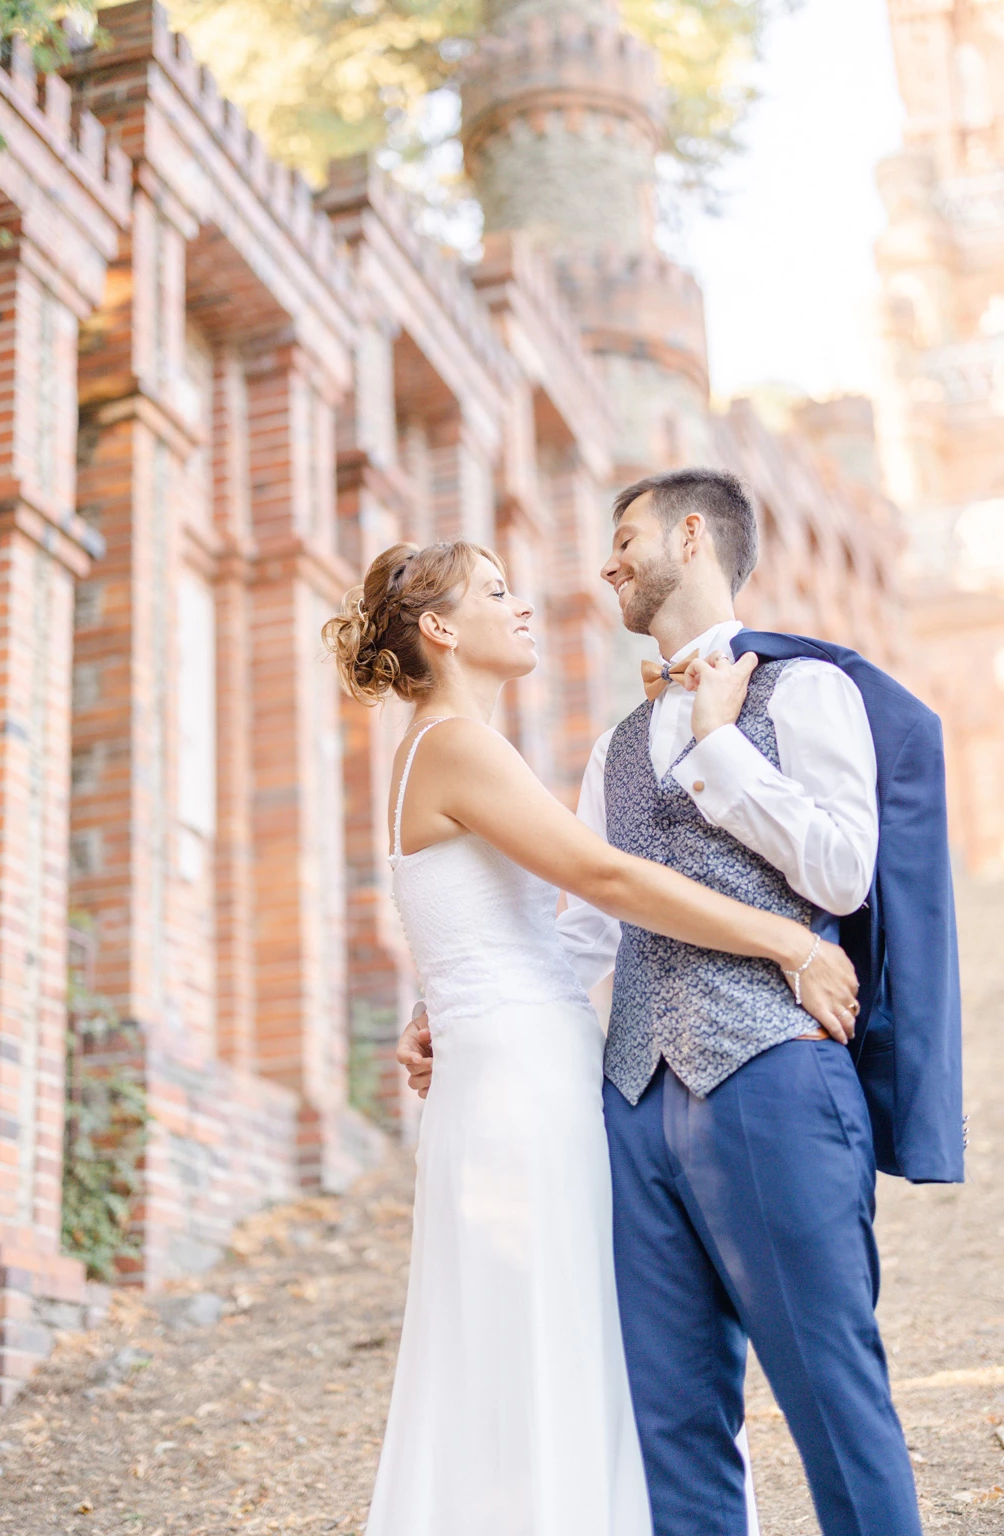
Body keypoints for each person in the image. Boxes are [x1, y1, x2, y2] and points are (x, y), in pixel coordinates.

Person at [400, 468, 936, 1536]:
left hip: (773, 1078)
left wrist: (721, 748)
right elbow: (590, 922)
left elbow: (840, 873)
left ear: (690, 538)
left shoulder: (812, 690)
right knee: (671, 1429)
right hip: (633, 1113)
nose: (605, 563)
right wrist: (459, 1007)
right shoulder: (613, 745)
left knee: (831, 1394)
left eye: (625, 537)